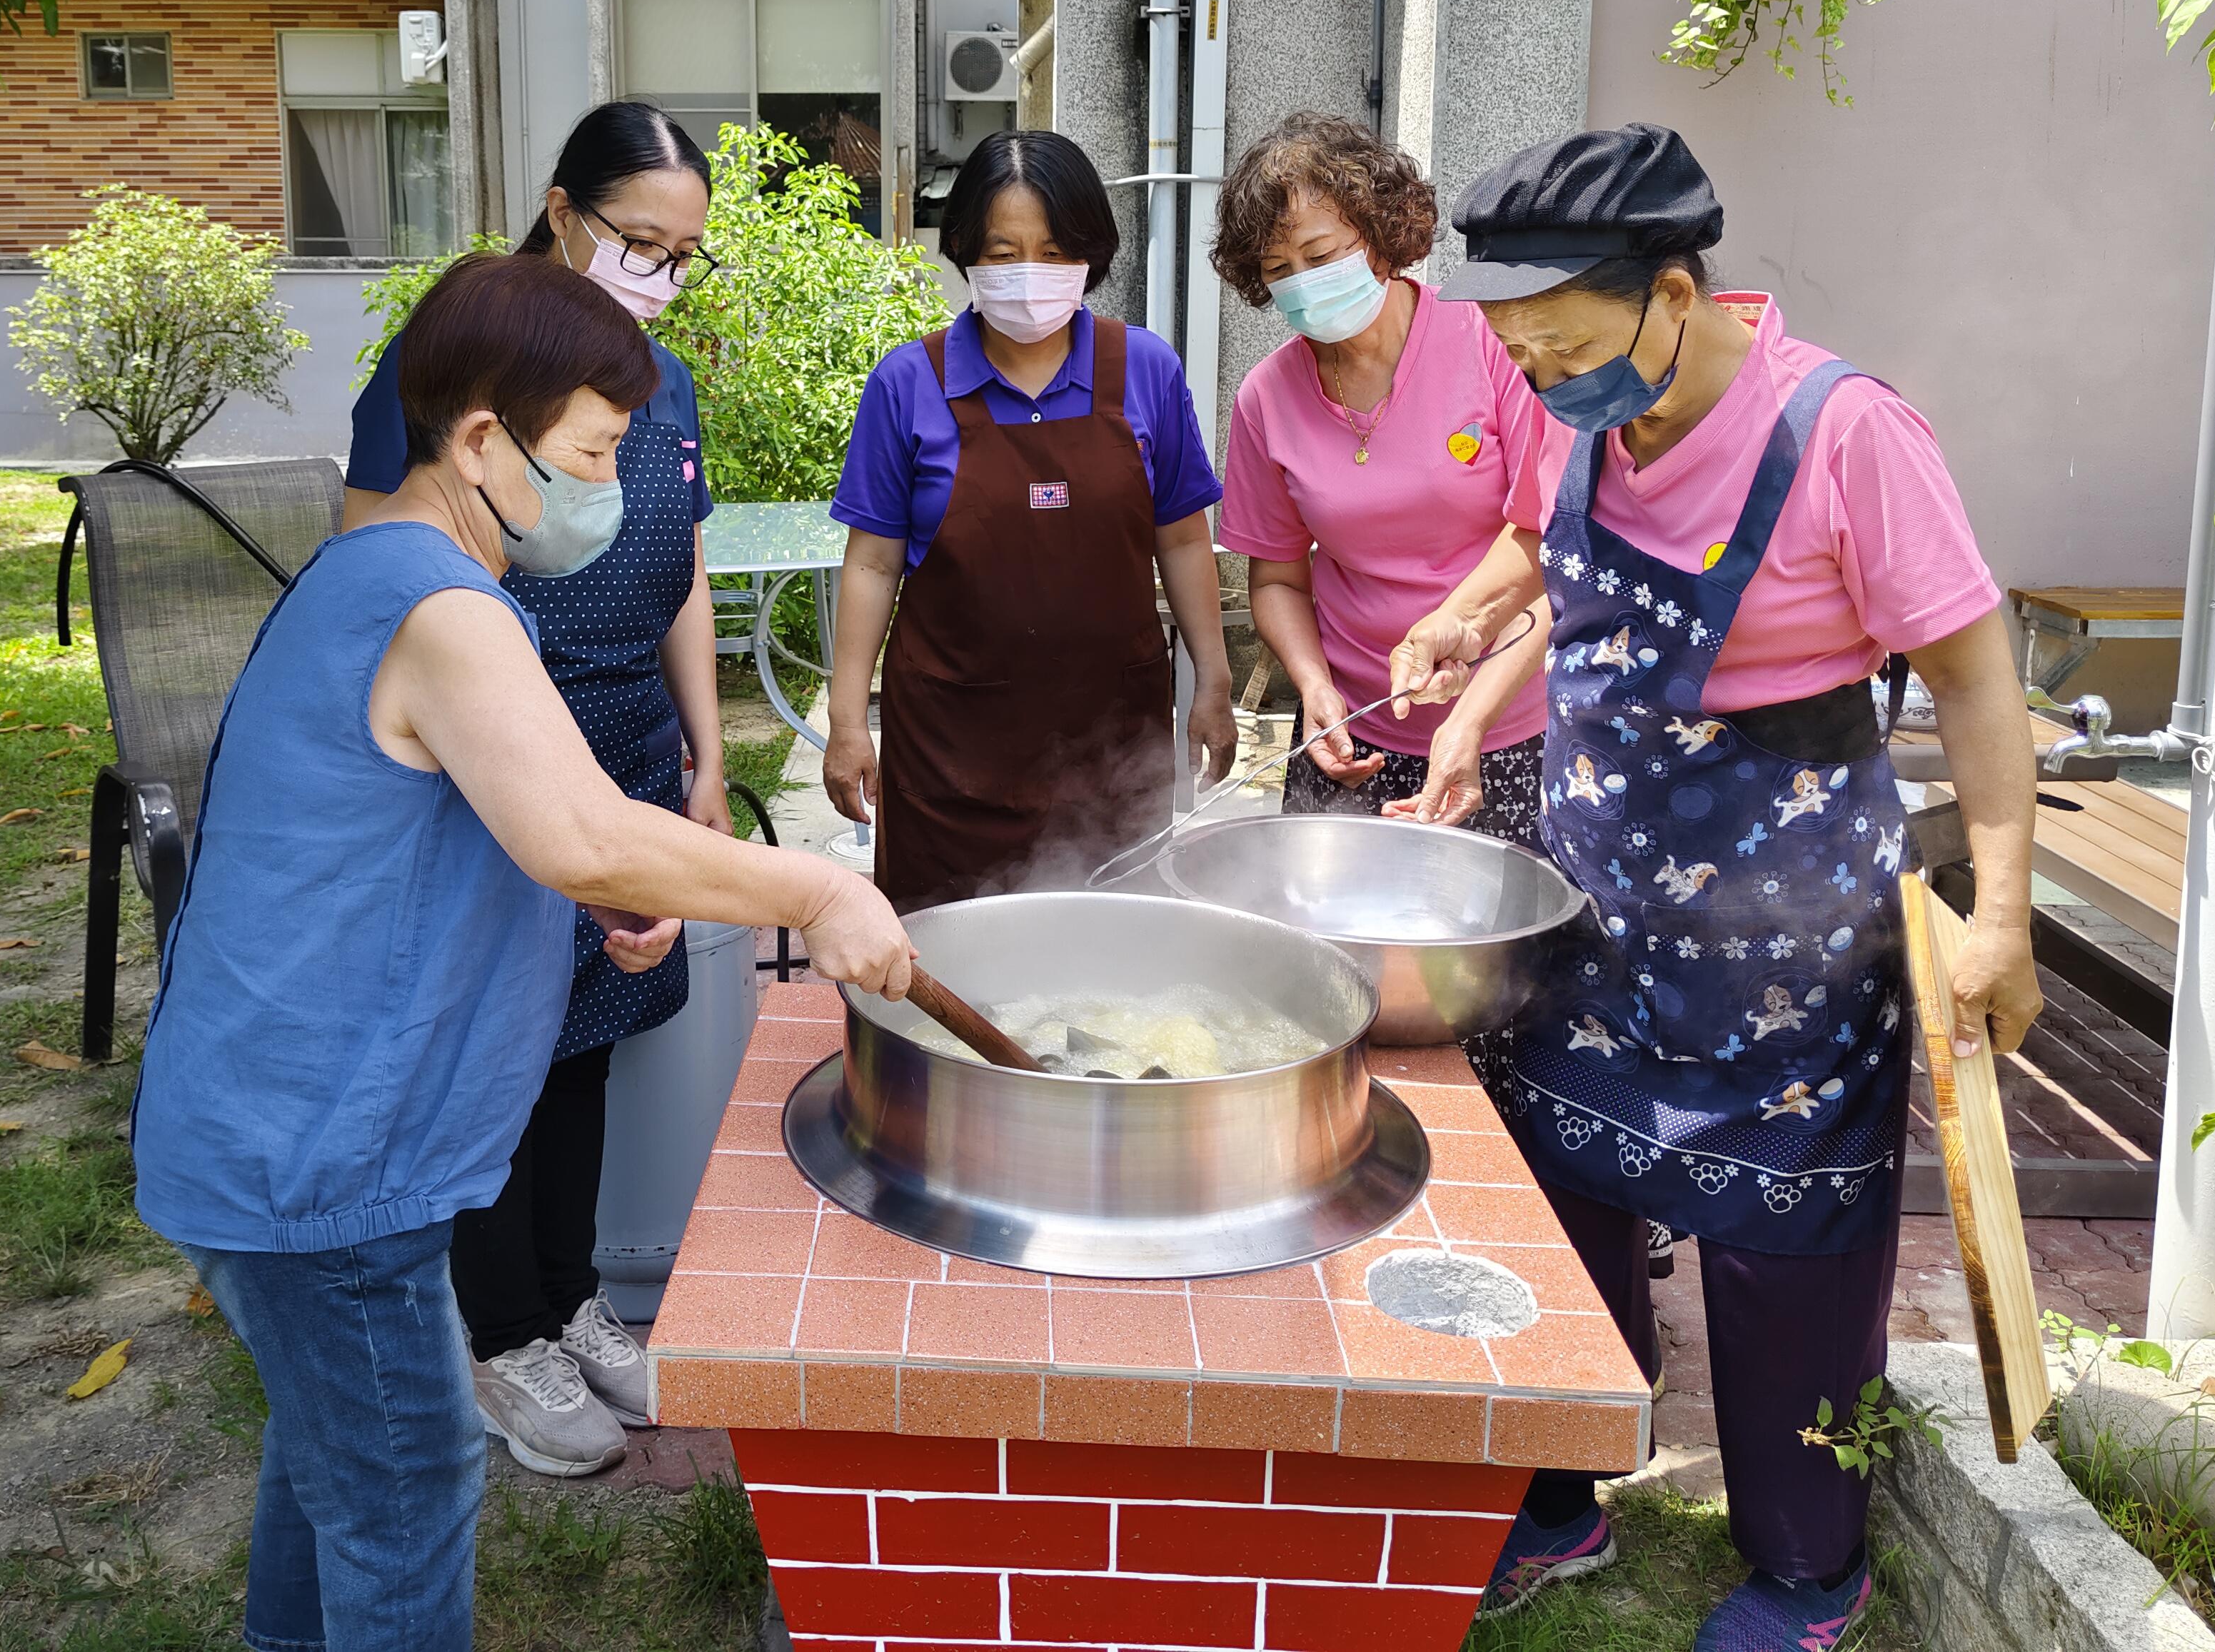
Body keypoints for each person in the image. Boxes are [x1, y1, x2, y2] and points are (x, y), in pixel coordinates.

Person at [134, 253, 915, 1652]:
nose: (618, 489)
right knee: (406, 1484)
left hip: (279, 1129)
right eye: (596, 453)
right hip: (316, 1157)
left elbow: (448, 829)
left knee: (333, 1467)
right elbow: (578, 826)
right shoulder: (440, 608)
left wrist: (591, 895)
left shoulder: (387, 572)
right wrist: (811, 890)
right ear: (486, 440)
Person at [1384, 125, 2041, 1652]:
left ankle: (1812, 1567)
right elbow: (1536, 546)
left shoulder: (1848, 435)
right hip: (1601, 905)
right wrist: (1457, 627)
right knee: (1564, 1194)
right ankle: (1561, 1493)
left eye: (1565, 349)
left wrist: (2001, 917)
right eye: (1522, 356)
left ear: (1677, 297)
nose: (1543, 384)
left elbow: (1974, 675)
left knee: (1784, 1252)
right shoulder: (1578, 415)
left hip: (1790, 943)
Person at [341, 101, 726, 1479]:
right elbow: (373, 571)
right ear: (562, 211)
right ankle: (502, 1334)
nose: (659, 277)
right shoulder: (449, 362)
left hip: (625, 743)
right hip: (496, 758)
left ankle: (574, 1301)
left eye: (684, 258)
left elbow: (677, 566)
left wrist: (707, 755)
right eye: (638, 243)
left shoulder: (654, 378)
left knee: (588, 1033)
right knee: (487, 1042)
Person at [823, 129, 1239, 910]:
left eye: (1053, 253)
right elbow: (873, 562)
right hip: (953, 750)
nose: (1029, 275)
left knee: (1117, 976)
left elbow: (1182, 537)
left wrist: (1212, 680)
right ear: (965, 252)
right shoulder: (908, 382)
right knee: (946, 978)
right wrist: (848, 721)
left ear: (1090, 252)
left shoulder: (1145, 368)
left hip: (1114, 742)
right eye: (1003, 250)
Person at [1209, 111, 1551, 841]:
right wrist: (1313, 685)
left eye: (1320, 253)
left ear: (1381, 233)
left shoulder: (1490, 342)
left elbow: (1544, 538)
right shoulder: (1267, 398)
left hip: (1498, 721)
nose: (1303, 283)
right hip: (1352, 730)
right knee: (1335, 951)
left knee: (1488, 954)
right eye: (1278, 270)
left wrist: (1466, 688)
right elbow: (1274, 579)